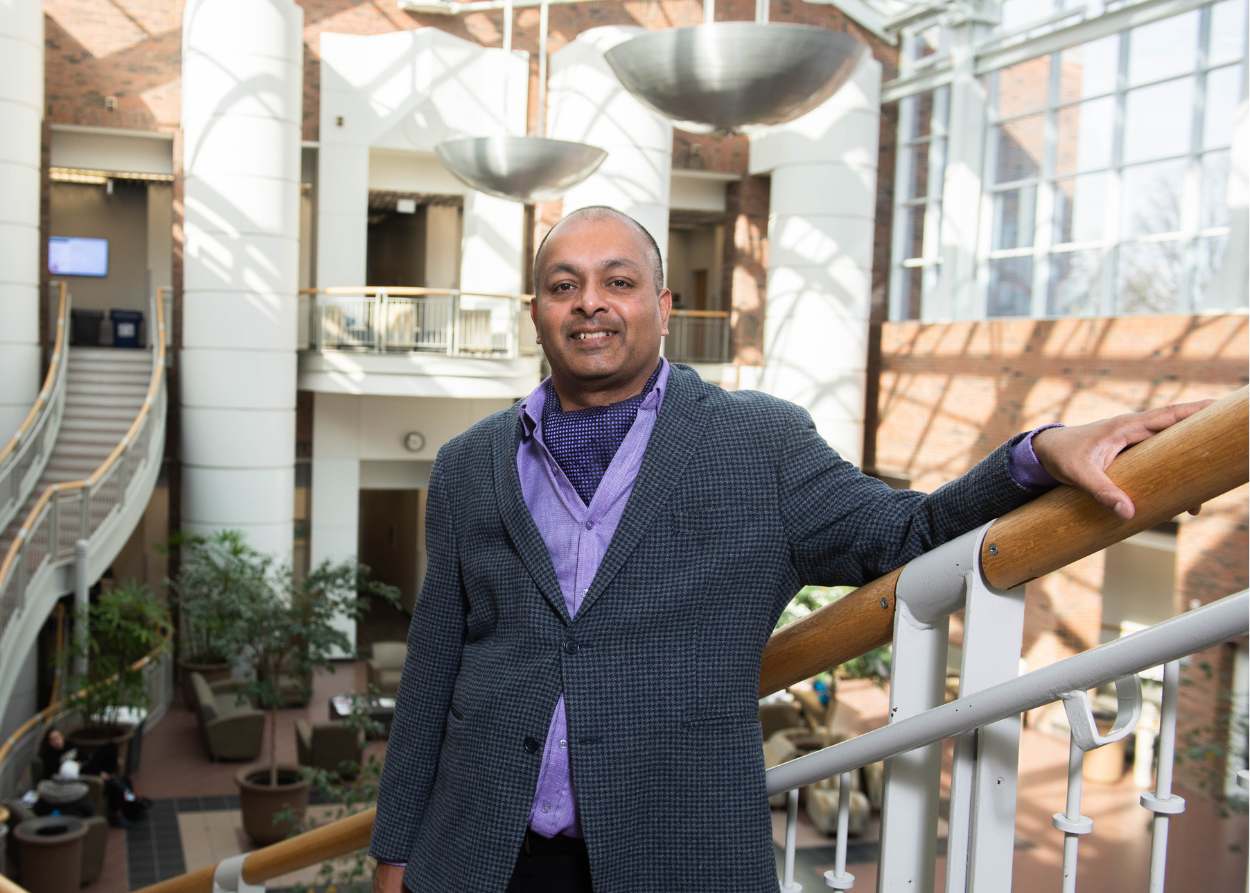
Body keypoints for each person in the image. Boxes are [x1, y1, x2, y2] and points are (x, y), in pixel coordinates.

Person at [370, 207, 1206, 893]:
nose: (590, 302)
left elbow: (902, 532)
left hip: (678, 857)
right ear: (537, 314)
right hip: (481, 854)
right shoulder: (468, 464)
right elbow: (434, 667)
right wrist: (394, 853)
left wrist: (1035, 453)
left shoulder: (759, 443)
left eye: (618, 282)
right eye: (564, 285)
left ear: (664, 305)